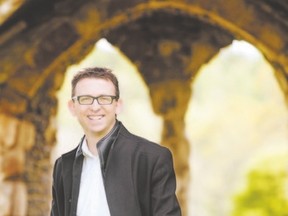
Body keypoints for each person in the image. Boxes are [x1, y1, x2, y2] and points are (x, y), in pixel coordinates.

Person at [50, 67, 181, 216]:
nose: (95, 107)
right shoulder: (63, 166)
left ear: (117, 105)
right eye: (85, 99)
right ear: (72, 107)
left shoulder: (152, 158)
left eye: (104, 99)